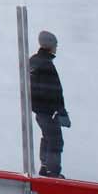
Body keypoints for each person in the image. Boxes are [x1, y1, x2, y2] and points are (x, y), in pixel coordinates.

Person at [28, 30, 69, 178]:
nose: (56, 47)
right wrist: (61, 112)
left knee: (47, 137)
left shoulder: (33, 61)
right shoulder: (46, 65)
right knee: (55, 141)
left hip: (39, 110)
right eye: (55, 44)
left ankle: (45, 166)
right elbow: (54, 92)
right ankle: (53, 173)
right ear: (50, 45)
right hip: (48, 111)